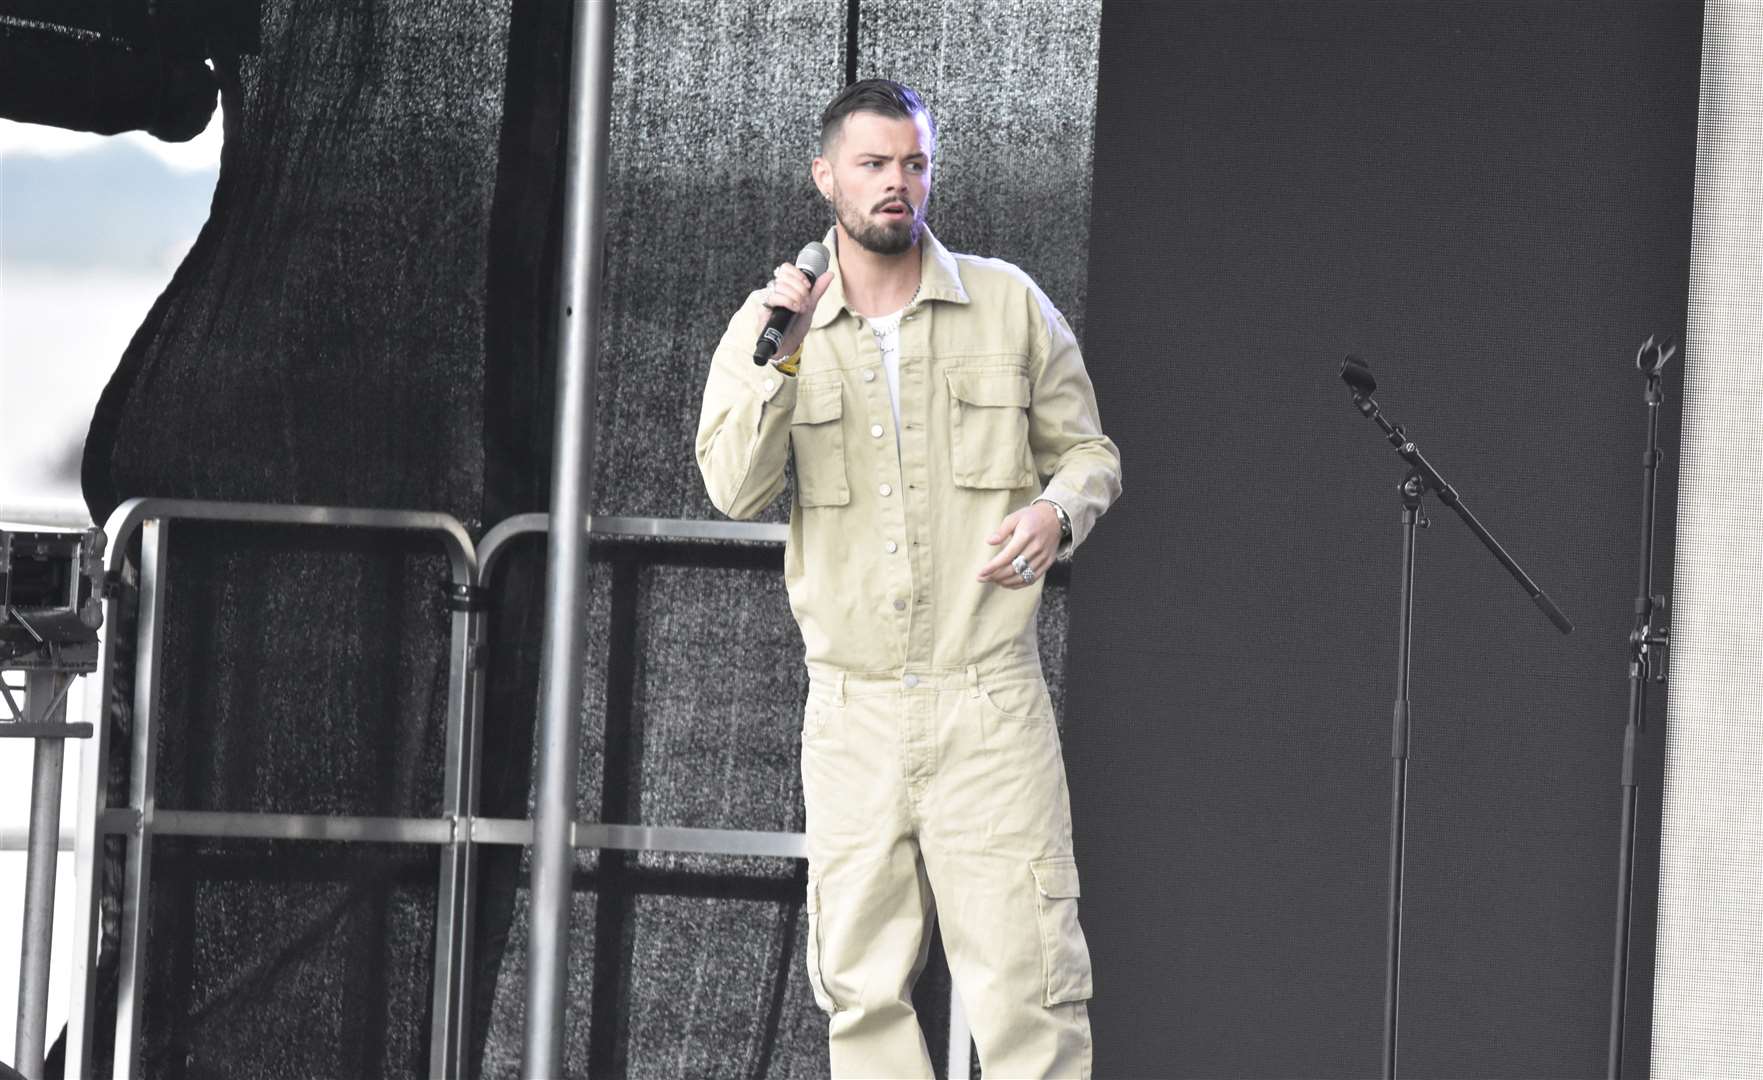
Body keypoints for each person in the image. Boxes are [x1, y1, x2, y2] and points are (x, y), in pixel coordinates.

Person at [695, 78, 1121, 1079]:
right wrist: (782, 359)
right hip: (855, 712)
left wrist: (1056, 511)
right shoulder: (773, 324)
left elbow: (1090, 452)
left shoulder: (1006, 303)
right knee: (861, 995)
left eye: (914, 164)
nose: (897, 184)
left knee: (1031, 989)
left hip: (988, 702)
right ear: (824, 177)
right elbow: (732, 489)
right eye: (874, 164)